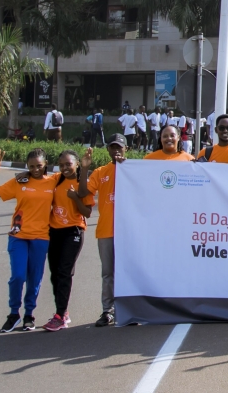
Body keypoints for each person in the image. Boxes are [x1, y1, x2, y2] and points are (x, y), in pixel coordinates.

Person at [0, 148, 54, 332]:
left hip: (41, 237)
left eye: (39, 166)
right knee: (18, 276)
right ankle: (13, 313)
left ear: (45, 164)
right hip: (18, 236)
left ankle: (29, 314)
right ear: (27, 166)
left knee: (35, 278)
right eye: (31, 166)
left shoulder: (53, 181)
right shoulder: (20, 181)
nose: (35, 169)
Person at [41, 150, 93, 331]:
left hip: (74, 231)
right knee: (55, 273)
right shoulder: (57, 179)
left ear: (77, 164)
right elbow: (39, 179)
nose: (64, 168)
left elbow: (87, 212)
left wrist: (75, 198)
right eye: (61, 165)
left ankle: (60, 315)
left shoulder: (82, 183)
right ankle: (62, 312)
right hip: (54, 231)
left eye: (68, 164)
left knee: (64, 272)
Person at [77, 136, 125, 327]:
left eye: (119, 148)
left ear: (126, 148)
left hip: (129, 232)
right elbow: (82, 193)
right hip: (106, 230)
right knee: (108, 273)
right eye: (112, 148)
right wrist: (85, 169)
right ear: (107, 150)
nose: (116, 151)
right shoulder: (100, 172)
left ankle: (129, 310)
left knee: (128, 272)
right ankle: (108, 311)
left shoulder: (134, 168)